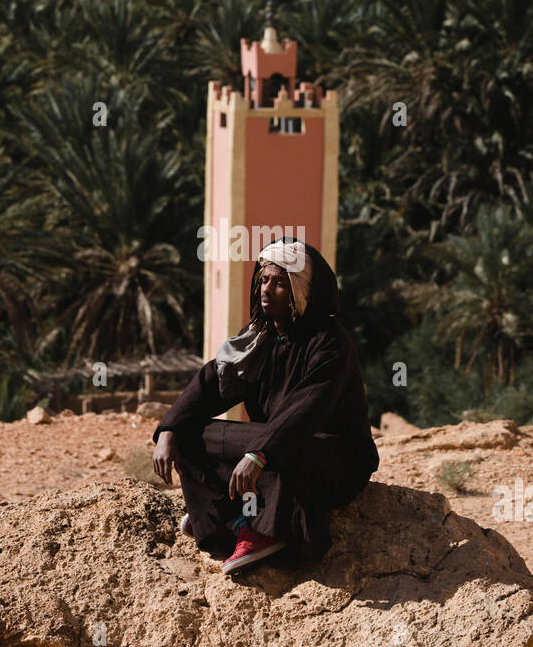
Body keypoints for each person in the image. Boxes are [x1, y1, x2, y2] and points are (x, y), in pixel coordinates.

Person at [151, 237, 379, 574]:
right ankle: (226, 520)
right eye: (263, 279)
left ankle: (264, 532)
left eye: (278, 282)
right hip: (277, 441)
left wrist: (259, 454)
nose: (265, 289)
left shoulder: (330, 343)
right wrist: (169, 428)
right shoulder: (260, 337)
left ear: (302, 290)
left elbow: (305, 411)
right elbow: (213, 381)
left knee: (288, 449)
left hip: (336, 457)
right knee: (188, 434)